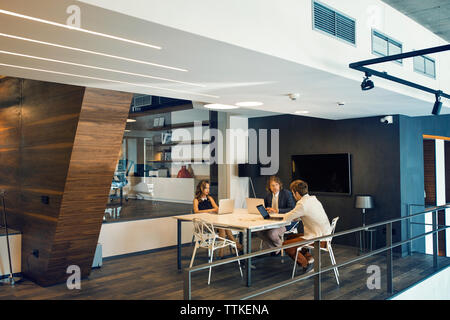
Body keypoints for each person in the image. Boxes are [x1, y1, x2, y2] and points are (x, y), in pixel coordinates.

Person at [282, 180, 332, 273]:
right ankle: (310, 259)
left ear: (296, 193)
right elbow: (310, 215)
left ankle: (307, 264)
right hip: (325, 236)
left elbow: (287, 218)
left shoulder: (302, 204)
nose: (293, 196)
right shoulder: (313, 199)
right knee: (290, 237)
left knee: (286, 245)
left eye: (293, 193)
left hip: (318, 239)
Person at [193, 180, 243, 256]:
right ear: (201, 188)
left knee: (223, 226)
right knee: (222, 227)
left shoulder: (209, 198)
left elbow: (217, 208)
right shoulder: (196, 200)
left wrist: (220, 209)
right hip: (204, 225)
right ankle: (236, 246)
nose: (208, 190)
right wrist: (211, 210)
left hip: (213, 223)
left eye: (208, 188)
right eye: (206, 188)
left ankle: (223, 252)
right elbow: (196, 211)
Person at [258, 176, 296, 255]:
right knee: (259, 232)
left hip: (287, 222)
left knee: (272, 233)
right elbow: (266, 207)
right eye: (272, 185)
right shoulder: (268, 196)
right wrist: (267, 210)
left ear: (279, 185)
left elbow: (292, 209)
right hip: (273, 221)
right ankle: (275, 248)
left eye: (276, 185)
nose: (275, 187)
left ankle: (281, 247)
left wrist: (277, 210)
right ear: (269, 187)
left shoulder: (286, 194)